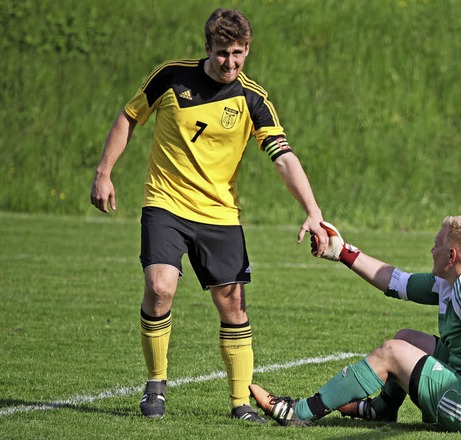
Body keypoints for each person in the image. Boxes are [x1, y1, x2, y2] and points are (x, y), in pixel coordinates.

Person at [89, 8, 328, 422]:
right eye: (222, 53)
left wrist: (313, 210)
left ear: (248, 50)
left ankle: (240, 403)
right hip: (165, 203)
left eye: (238, 53)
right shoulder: (170, 77)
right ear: (207, 48)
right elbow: (130, 117)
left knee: (232, 304)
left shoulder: (253, 98)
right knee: (160, 288)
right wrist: (104, 172)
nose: (230, 62)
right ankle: (156, 385)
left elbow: (282, 157)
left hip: (219, 214)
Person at [250, 216, 461, 435]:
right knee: (406, 338)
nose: (431, 249)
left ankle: (298, 412)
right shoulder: (456, 282)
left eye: (437, 245)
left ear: (452, 256)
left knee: (392, 351)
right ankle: (382, 410)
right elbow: (396, 282)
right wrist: (341, 252)